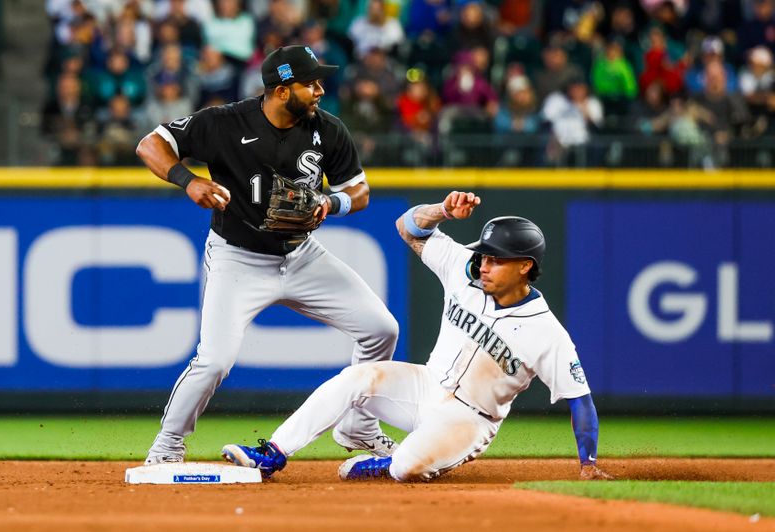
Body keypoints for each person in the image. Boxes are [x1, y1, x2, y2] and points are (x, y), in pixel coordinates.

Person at [221, 191, 614, 482]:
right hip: (424, 385)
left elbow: (580, 400)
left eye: (496, 259)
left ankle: (387, 465)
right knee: (358, 376)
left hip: (469, 418)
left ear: (526, 266)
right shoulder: (466, 269)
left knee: (407, 467)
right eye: (485, 255)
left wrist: (588, 465)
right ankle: (272, 454)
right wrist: (442, 211)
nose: (485, 263)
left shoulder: (545, 331)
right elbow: (408, 226)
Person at [136, 45, 400, 466]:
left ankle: (358, 425)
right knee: (214, 360)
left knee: (381, 329)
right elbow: (151, 145)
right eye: (309, 83)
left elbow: (360, 191)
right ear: (280, 90)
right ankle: (167, 444)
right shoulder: (224, 123)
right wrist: (187, 180)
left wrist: (332, 203)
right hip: (238, 258)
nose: (319, 89)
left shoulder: (327, 129)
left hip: (302, 256)